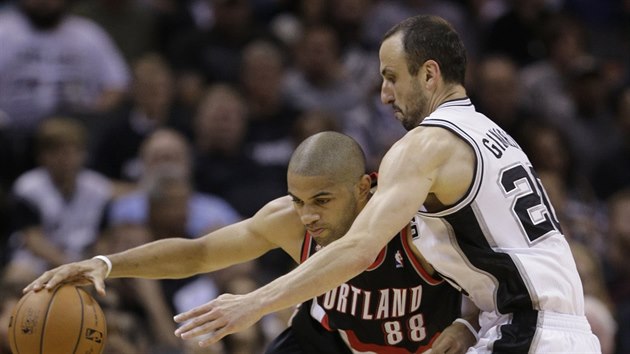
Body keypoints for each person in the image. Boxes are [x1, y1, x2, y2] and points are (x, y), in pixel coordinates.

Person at [168, 15, 602, 354]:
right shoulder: (490, 132)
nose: (384, 94)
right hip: (553, 329)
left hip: (529, 332)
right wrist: (470, 323)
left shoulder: (426, 144)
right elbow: (513, 254)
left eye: (392, 76)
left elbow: (358, 249)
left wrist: (254, 303)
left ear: (429, 75)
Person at [25, 131, 476, 354]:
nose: (308, 216)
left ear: (364, 188)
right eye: (299, 200)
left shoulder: (421, 222)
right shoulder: (291, 221)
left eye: (322, 200)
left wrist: (469, 324)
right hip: (326, 342)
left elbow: (500, 278)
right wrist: (105, 263)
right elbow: (198, 252)